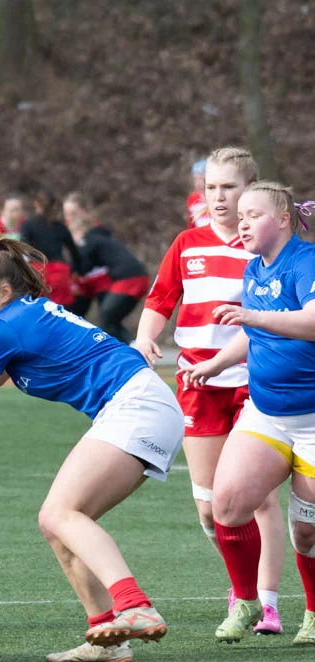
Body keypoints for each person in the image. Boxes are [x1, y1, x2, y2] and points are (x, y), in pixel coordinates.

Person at [0, 237, 181, 662]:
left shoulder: (6, 328)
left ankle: (135, 604)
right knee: (57, 525)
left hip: (136, 407)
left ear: (4, 291)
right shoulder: (20, 317)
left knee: (59, 514)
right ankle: (107, 637)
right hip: (144, 406)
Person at [133, 147, 285, 635]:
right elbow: (161, 298)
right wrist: (145, 337)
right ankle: (242, 587)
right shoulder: (187, 243)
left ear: (250, 190)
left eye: (229, 187)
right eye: (211, 188)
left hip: (253, 382)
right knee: (208, 505)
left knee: (257, 498)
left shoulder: (262, 245)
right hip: (198, 383)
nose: (218, 197)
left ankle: (265, 601)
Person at [180, 183, 315, 645]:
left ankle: (313, 612)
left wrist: (252, 317)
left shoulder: (306, 261)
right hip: (267, 410)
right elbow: (255, 331)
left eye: (253, 215)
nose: (242, 223)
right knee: (228, 503)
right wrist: (216, 364)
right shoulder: (256, 268)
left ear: (283, 219)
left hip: (312, 420)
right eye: (240, 216)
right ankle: (246, 600)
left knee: (307, 533)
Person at [62, 192, 149, 341]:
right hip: (132, 277)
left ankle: (135, 348)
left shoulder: (90, 238)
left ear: (85, 212)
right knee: (110, 321)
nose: (69, 219)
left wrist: (71, 272)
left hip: (128, 279)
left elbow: (82, 263)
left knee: (106, 321)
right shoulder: (96, 236)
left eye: (73, 213)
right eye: (66, 214)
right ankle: (130, 348)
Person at [19, 190, 79, 308]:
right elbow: (74, 252)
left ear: (36, 204)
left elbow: (23, 250)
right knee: (62, 312)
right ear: (54, 205)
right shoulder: (60, 226)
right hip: (60, 272)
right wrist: (74, 270)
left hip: (38, 272)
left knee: (38, 310)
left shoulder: (28, 225)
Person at [187, 159, 211, 228]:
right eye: (196, 179)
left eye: (201, 178)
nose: (198, 183)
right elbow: (191, 223)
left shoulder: (216, 197)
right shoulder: (192, 199)